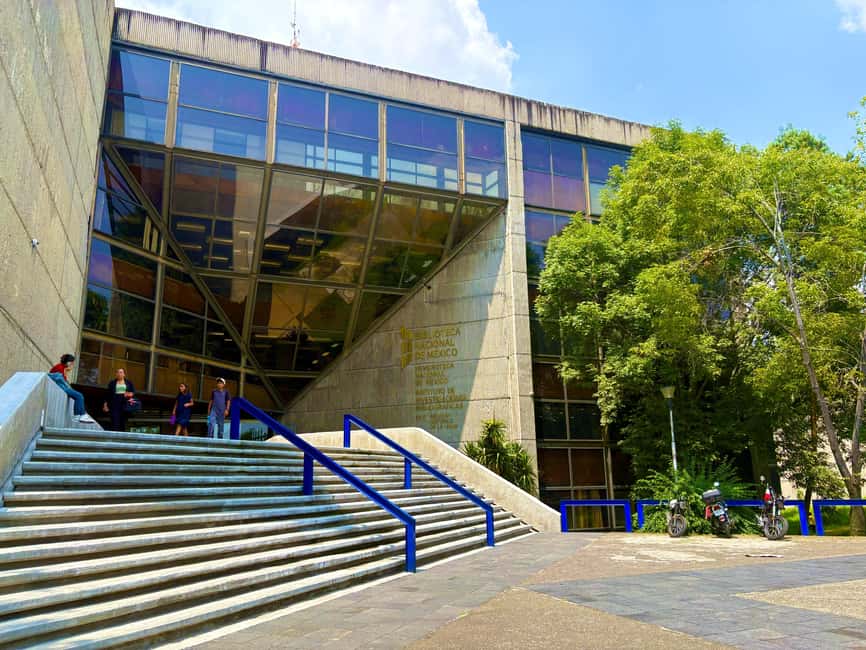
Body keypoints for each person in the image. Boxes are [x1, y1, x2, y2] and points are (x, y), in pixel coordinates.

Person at [48, 354, 96, 424]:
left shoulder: (62, 368)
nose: (72, 365)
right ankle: (80, 415)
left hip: (62, 387)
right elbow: (59, 379)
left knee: (79, 396)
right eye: (72, 363)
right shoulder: (59, 367)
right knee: (79, 396)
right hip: (62, 387)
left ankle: (80, 415)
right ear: (68, 362)